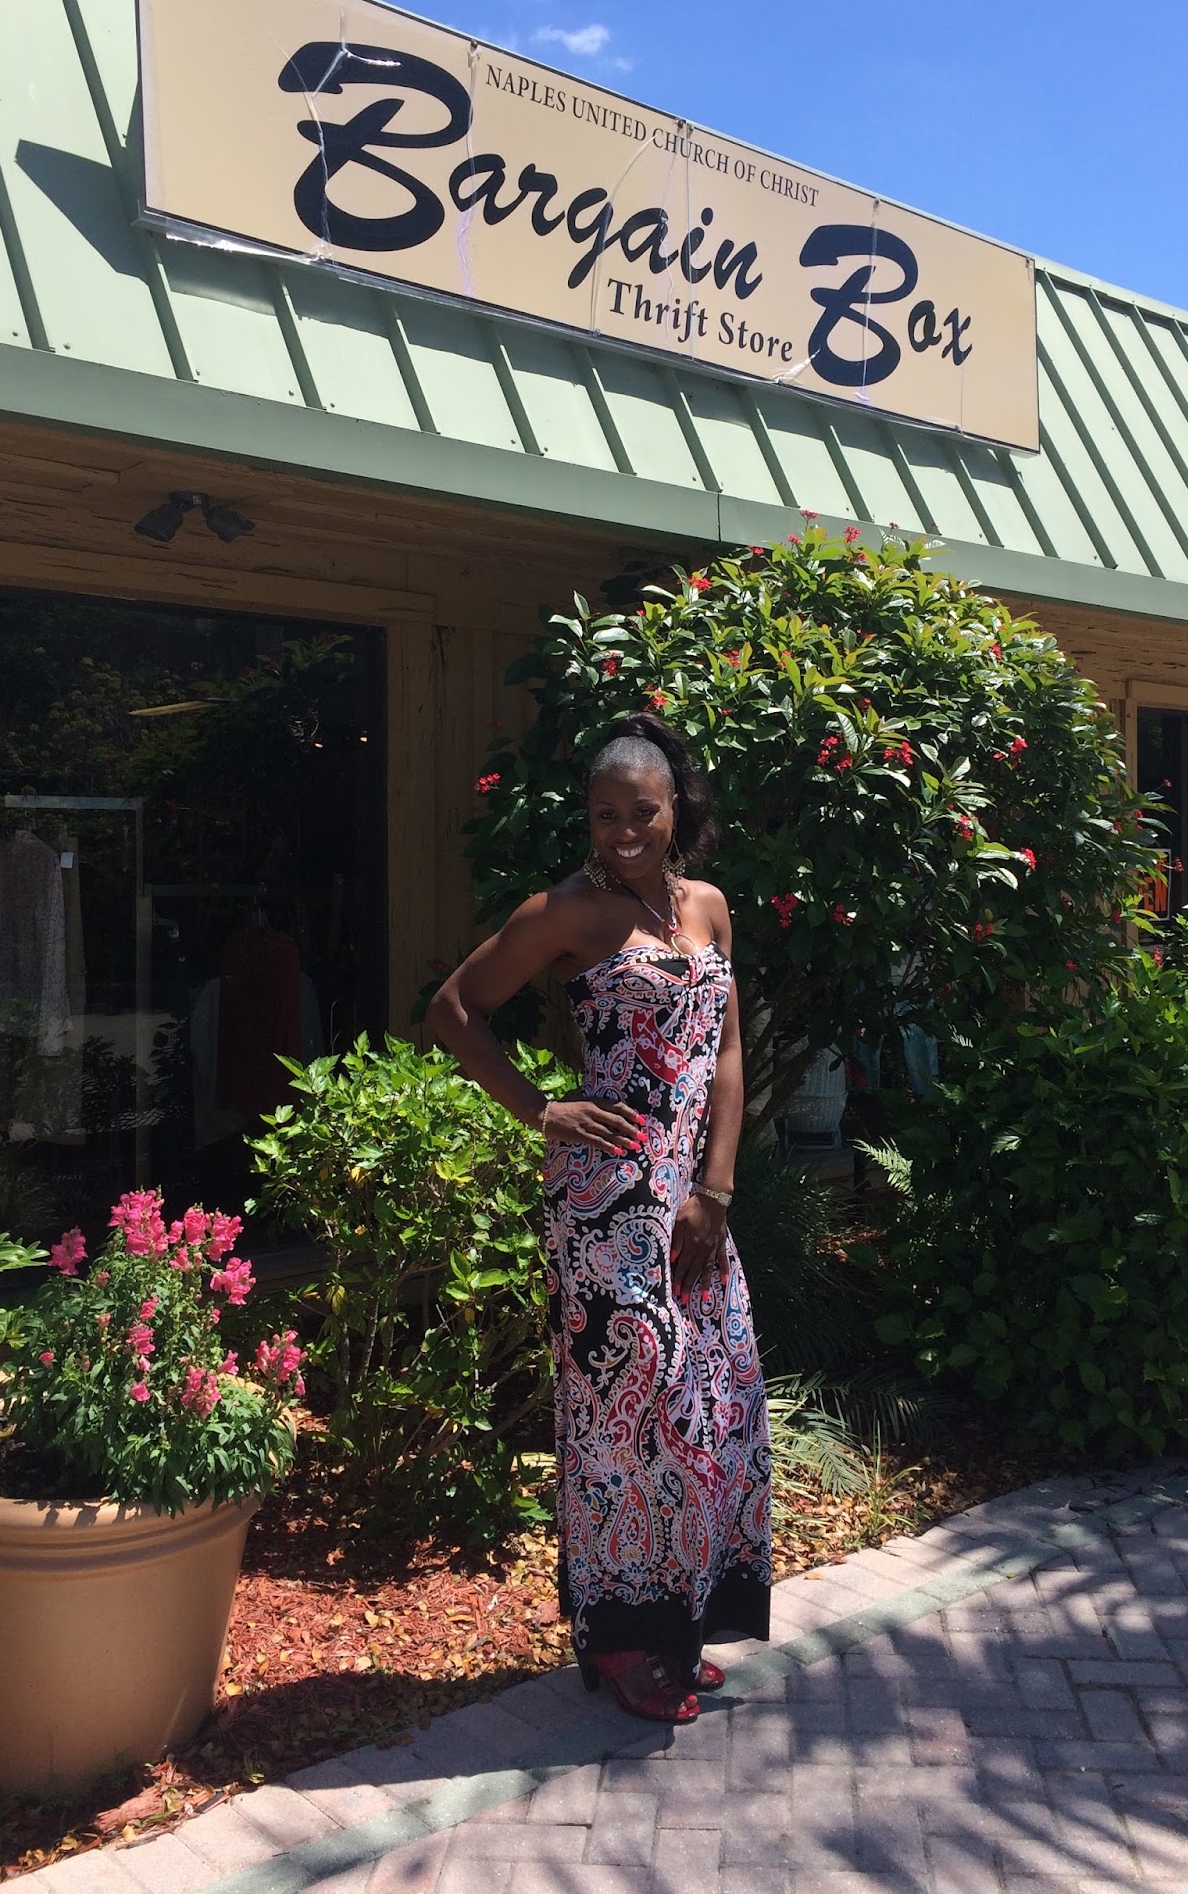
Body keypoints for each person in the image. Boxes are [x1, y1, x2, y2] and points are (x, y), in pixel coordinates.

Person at [427, 712, 771, 1723]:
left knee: (710, 1403)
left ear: (676, 810)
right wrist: (542, 1107)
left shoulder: (707, 907)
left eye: (642, 811)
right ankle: (623, 1640)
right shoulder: (564, 912)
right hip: (607, 1205)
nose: (624, 830)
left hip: (695, 1204)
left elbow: (729, 1051)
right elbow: (453, 1007)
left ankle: (677, 1624)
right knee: (625, 1410)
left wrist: (717, 1188)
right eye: (604, 813)